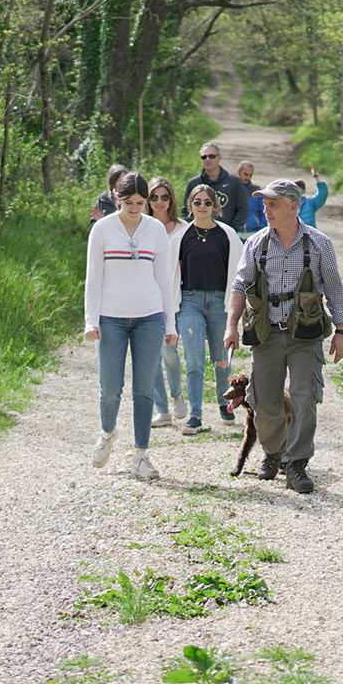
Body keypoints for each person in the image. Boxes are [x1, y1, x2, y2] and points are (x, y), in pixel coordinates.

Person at [223, 178, 343, 494]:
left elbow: (333, 287)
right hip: (266, 334)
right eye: (264, 204)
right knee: (264, 402)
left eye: (273, 204)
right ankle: (273, 452)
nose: (265, 209)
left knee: (305, 397)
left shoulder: (320, 243)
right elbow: (240, 286)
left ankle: (296, 464)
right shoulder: (255, 244)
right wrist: (231, 326)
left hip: (305, 335)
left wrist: (341, 330)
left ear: (293, 206)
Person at [84, 171, 179, 481]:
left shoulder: (154, 231)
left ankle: (141, 454)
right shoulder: (102, 229)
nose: (136, 208)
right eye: (129, 203)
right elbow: (93, 279)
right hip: (111, 318)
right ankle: (108, 433)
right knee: (111, 388)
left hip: (148, 317)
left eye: (142, 202)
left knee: (144, 388)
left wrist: (170, 321)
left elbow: (164, 278)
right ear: (117, 199)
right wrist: (91, 320)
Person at [174, 184, 242, 432]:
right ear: (190, 205)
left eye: (207, 202)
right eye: (197, 202)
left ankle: (226, 405)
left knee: (221, 359)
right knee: (193, 360)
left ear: (215, 206)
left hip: (219, 302)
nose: (202, 206)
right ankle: (195, 414)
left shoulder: (227, 235)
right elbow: (172, 270)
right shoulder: (182, 236)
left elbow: (237, 272)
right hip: (190, 300)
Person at [145, 177, 188, 427]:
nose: (159, 202)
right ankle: (162, 409)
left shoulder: (183, 229)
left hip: (177, 299)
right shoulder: (142, 228)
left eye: (164, 196)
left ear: (171, 199)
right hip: (147, 301)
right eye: (154, 197)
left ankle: (177, 395)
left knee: (170, 353)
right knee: (151, 356)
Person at [184, 142, 247, 231]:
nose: (208, 159)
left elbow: (242, 210)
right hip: (199, 234)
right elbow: (186, 210)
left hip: (226, 235)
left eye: (212, 156)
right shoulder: (193, 183)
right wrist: (195, 229)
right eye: (204, 157)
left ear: (219, 157)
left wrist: (230, 230)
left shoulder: (234, 182)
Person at [237, 161, 266, 234]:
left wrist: (261, 232)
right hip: (235, 232)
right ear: (238, 172)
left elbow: (263, 212)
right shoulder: (232, 189)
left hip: (253, 232)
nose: (247, 177)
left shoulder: (257, 192)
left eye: (250, 175)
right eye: (245, 174)